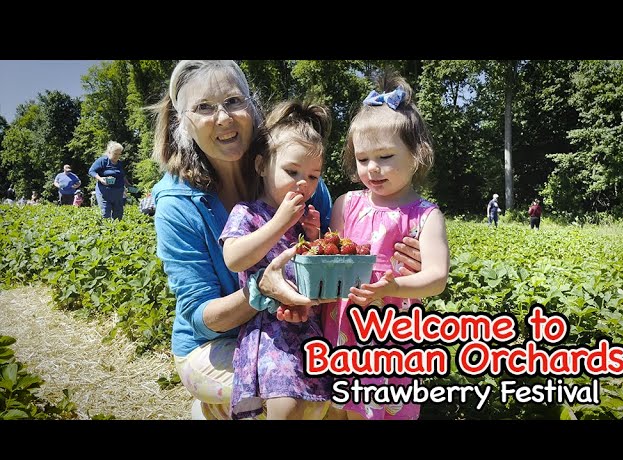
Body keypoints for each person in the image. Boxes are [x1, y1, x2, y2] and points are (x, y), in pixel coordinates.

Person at [150, 60, 424, 420]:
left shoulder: (297, 175)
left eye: (233, 101)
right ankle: (215, 410)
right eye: (204, 107)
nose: (223, 118)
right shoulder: (177, 203)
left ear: (252, 107)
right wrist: (262, 292)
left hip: (295, 326)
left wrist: (399, 260)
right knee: (289, 388)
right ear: (182, 123)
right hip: (215, 341)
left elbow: (335, 251)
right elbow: (203, 318)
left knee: (333, 388)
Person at [322, 76, 450, 420]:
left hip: (392, 334)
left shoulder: (426, 215)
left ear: (417, 155)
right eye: (362, 159)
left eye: (385, 156)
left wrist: (395, 286)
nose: (372, 168)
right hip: (342, 330)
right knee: (337, 409)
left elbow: (437, 277)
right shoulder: (345, 204)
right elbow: (330, 259)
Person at [219, 100, 333, 420]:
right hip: (268, 328)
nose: (303, 184)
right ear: (261, 166)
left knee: (317, 401)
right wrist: (279, 223)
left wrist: (313, 238)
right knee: (286, 401)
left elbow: (313, 270)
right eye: (292, 171)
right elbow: (235, 258)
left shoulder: (303, 217)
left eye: (313, 176)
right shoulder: (248, 213)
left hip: (306, 323)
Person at [89, 141, 131, 220]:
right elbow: (92, 171)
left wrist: (128, 184)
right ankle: (107, 230)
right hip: (104, 192)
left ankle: (117, 231)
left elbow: (122, 175)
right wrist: (100, 179)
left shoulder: (119, 163)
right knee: (105, 213)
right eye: (115, 153)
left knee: (118, 214)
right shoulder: (102, 161)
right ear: (109, 152)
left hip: (118, 192)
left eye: (119, 154)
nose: (117, 156)